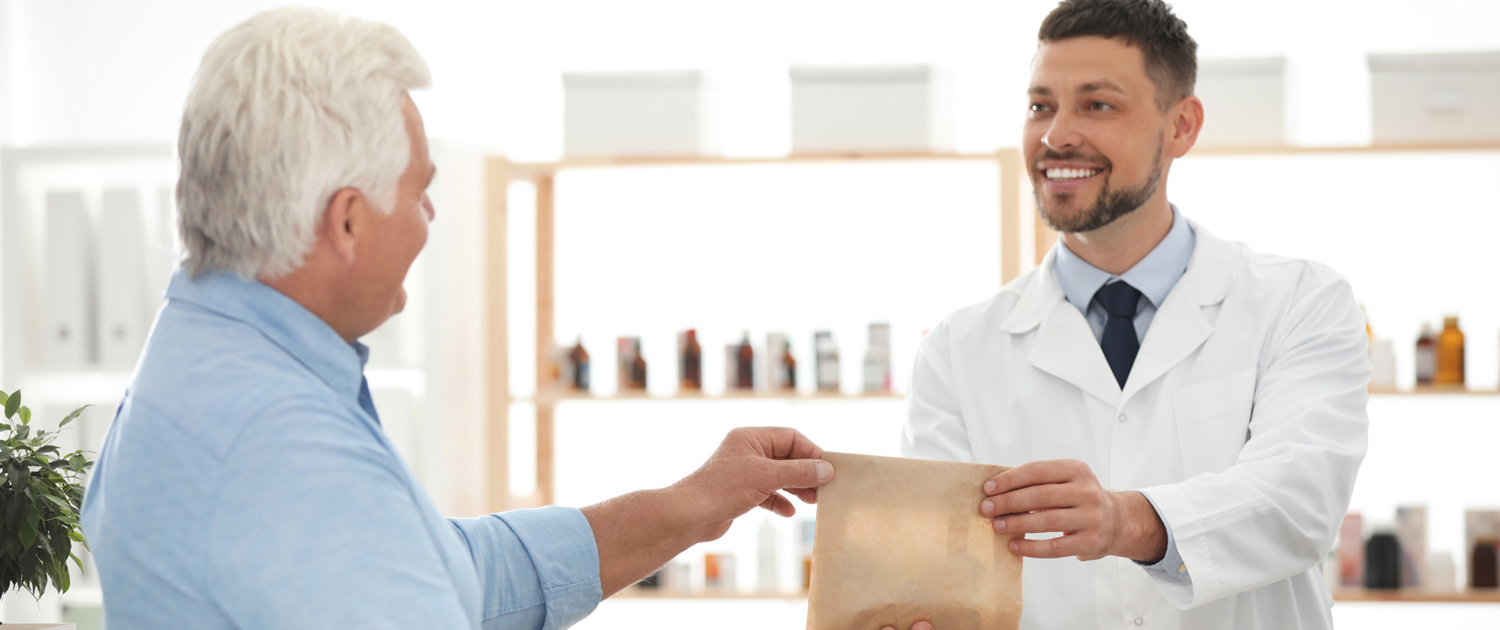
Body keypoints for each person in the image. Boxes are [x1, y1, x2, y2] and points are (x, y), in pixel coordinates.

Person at [76, 8, 927, 630]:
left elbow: (452, 574)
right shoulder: (280, 444)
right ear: (346, 221)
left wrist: (697, 503)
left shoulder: (207, 355)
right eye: (420, 191)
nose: (430, 220)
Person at [901, 1, 1369, 629]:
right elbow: (942, 567)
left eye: (1097, 104)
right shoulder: (956, 351)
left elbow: (1299, 502)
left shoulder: (1299, 302)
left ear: (1181, 126)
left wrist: (1126, 520)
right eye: (1041, 105)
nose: (1055, 135)